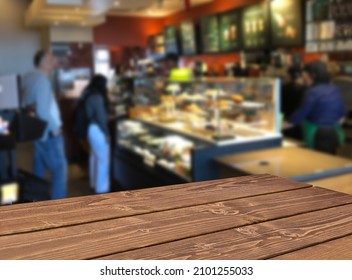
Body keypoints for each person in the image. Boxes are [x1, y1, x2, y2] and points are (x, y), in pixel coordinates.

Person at [22, 50, 67, 199]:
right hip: (48, 132)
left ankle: (37, 202)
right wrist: (56, 128)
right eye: (50, 58)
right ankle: (59, 209)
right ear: (41, 61)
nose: (54, 60)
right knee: (59, 170)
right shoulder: (41, 80)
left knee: (39, 169)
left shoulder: (28, 78)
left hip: (37, 131)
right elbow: (42, 110)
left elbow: (25, 105)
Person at [284, 61, 346, 154]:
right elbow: (342, 112)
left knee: (319, 160)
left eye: (305, 75)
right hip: (334, 131)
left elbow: (302, 112)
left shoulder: (312, 92)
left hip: (318, 133)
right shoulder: (334, 89)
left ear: (312, 75)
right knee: (331, 159)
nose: (304, 78)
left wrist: (285, 123)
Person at [81, 75, 110, 194]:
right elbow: (101, 118)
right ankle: (102, 189)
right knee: (103, 160)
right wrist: (107, 133)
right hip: (97, 130)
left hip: (89, 129)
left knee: (94, 157)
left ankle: (93, 183)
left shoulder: (87, 93)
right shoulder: (97, 97)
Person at [281, 65, 306, 140]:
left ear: (289, 75)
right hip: (301, 122)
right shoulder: (306, 88)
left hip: (287, 120)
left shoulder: (283, 88)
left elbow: (281, 106)